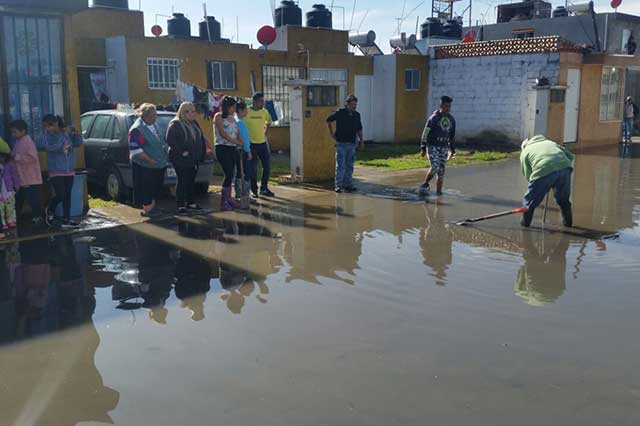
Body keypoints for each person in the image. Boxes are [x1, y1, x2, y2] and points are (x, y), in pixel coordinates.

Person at [520, 134, 575, 228]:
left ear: (524, 146)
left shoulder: (525, 152)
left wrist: (543, 184)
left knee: (529, 202)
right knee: (563, 200)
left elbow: (529, 175)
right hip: (565, 167)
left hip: (544, 169)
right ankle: (568, 225)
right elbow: (570, 157)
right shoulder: (551, 143)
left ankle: (525, 225)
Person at [39, 114, 83, 229]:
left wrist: (76, 133)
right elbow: (52, 148)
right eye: (46, 126)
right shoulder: (46, 136)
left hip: (69, 169)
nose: (48, 128)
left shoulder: (65, 134)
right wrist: (64, 135)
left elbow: (78, 143)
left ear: (56, 124)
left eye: (50, 125)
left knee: (67, 195)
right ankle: (50, 209)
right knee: (61, 194)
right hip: (56, 170)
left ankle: (66, 220)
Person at [166, 102, 207, 215]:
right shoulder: (175, 124)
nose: (194, 114)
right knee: (182, 180)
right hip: (180, 158)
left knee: (190, 181)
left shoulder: (194, 123)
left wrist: (204, 151)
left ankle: (190, 203)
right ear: (184, 112)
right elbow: (170, 140)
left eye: (194, 111)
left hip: (194, 158)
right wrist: (181, 152)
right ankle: (180, 205)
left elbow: (200, 137)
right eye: (192, 111)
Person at [128, 103, 169, 218]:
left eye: (155, 115)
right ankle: (147, 210)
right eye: (152, 115)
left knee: (155, 187)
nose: (155, 117)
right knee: (146, 188)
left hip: (158, 164)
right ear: (145, 116)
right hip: (145, 165)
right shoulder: (137, 129)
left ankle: (152, 207)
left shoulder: (155, 125)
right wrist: (150, 160)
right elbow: (136, 150)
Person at [326, 95, 364, 193]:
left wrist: (361, 141)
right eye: (352, 104)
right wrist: (331, 134)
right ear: (347, 104)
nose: (354, 106)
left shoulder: (357, 115)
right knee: (341, 166)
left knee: (350, 165)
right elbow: (328, 120)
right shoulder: (340, 113)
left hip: (352, 144)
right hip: (341, 144)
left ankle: (348, 185)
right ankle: (338, 186)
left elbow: (359, 129)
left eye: (355, 104)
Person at [419, 96, 456, 196]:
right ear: (441, 106)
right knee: (435, 166)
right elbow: (425, 133)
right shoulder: (434, 118)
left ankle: (439, 193)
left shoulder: (451, 120)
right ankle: (425, 184)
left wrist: (452, 150)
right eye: (445, 106)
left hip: (444, 147)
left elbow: (451, 136)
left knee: (441, 170)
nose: (447, 108)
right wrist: (423, 147)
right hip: (432, 146)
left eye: (449, 106)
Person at [9, 120, 43, 225]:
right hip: (22, 178)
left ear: (23, 131)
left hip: (31, 177)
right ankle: (15, 217)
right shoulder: (18, 142)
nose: (13, 134)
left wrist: (16, 157)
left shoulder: (27, 141)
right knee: (19, 198)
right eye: (12, 132)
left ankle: (38, 216)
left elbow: (32, 158)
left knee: (32, 199)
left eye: (15, 132)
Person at [214, 96, 244, 211]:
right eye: (232, 107)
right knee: (228, 172)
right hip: (222, 148)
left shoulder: (234, 118)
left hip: (232, 148)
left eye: (235, 107)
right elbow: (222, 133)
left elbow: (237, 132)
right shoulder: (218, 116)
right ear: (226, 107)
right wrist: (236, 142)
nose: (233, 109)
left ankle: (228, 198)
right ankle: (224, 201)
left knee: (232, 173)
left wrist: (242, 142)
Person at [245, 93, 274, 198]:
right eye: (260, 101)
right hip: (251, 145)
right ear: (254, 101)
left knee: (267, 167)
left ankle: (264, 188)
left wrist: (266, 132)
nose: (263, 103)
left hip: (262, 144)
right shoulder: (247, 111)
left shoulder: (264, 112)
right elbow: (239, 123)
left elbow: (269, 121)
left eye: (263, 101)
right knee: (253, 169)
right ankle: (253, 190)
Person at [235, 101, 253, 203]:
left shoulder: (239, 121)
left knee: (240, 172)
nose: (247, 111)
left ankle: (240, 194)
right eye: (245, 109)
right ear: (240, 111)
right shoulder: (240, 122)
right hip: (243, 151)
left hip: (240, 150)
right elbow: (244, 139)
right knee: (245, 172)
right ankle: (244, 194)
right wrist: (248, 151)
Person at [0, 150, 19, 236]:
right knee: (1, 208)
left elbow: (14, 175)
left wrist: (16, 186)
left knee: (10, 206)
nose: (1, 158)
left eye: (3, 156)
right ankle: (3, 222)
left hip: (9, 190)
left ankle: (11, 221)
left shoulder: (10, 165)